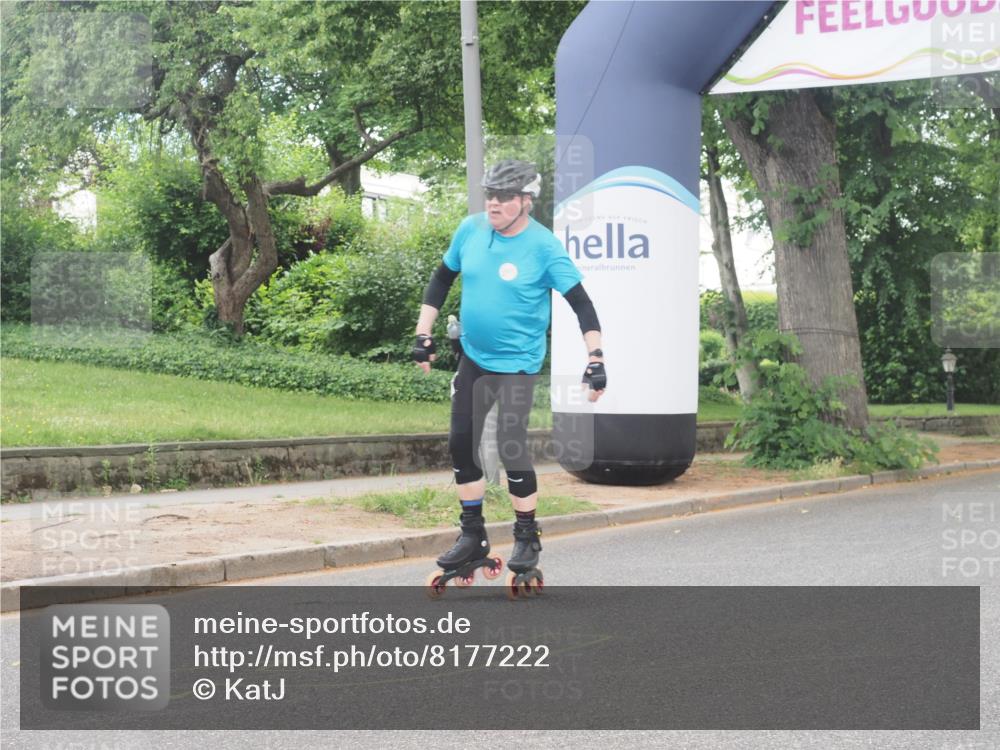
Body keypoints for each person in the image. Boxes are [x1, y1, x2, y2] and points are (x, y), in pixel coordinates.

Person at [413, 158, 607, 588]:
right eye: (489, 195)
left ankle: (526, 535)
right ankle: (472, 536)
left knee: (510, 445)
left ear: (526, 201)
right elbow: (441, 279)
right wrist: (422, 333)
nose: (493, 204)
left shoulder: (544, 247)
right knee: (460, 443)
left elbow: (581, 303)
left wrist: (595, 358)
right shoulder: (470, 230)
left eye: (503, 197)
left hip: (518, 365)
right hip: (475, 358)